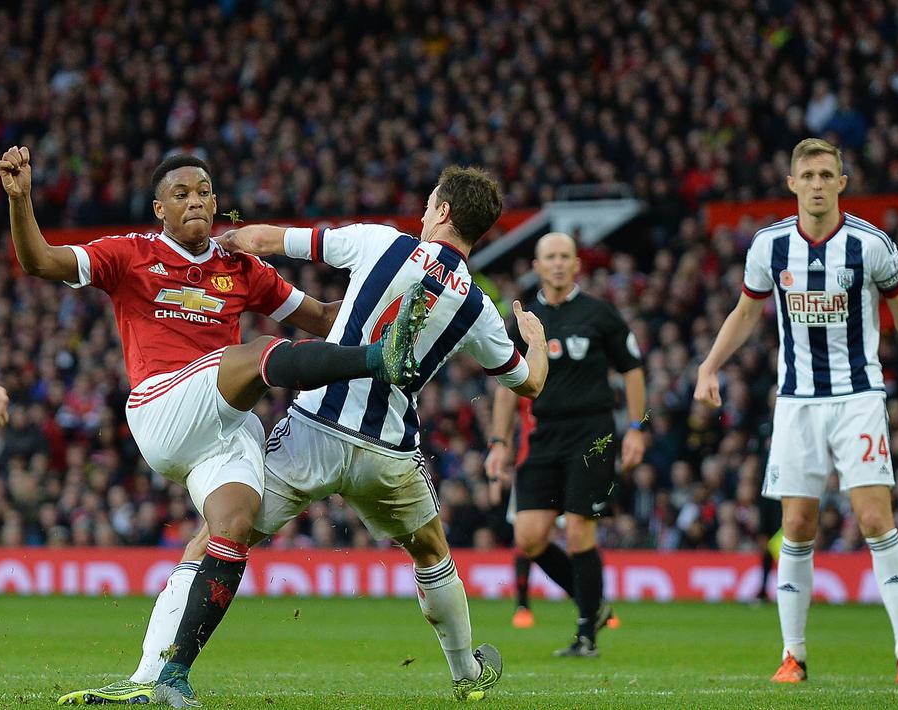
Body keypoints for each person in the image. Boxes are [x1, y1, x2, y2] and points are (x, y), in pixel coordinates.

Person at [56, 166, 546, 705]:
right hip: (389, 450)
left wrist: (221, 242)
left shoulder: (381, 242)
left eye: (431, 202)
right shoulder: (477, 306)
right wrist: (536, 340)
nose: (426, 209)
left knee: (221, 537)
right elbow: (529, 383)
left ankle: (153, 676)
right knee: (431, 551)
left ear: (443, 212)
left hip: (312, 429)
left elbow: (266, 239)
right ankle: (467, 675)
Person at [0, 146, 421, 708]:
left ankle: (160, 676)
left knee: (231, 528)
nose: (195, 201)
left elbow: (321, 317)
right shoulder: (129, 253)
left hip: (225, 428)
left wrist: (394, 306)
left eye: (203, 192)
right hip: (163, 407)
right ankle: (378, 362)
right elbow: (39, 262)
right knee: (254, 356)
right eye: (182, 194)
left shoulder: (240, 267)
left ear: (217, 203)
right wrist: (21, 201)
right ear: (160, 210)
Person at [693, 138, 898, 685]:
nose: (818, 183)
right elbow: (745, 314)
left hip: (858, 397)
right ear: (792, 183)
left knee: (875, 519)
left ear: (842, 183)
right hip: (796, 402)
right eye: (809, 175)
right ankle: (792, 655)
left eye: (827, 174)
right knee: (796, 525)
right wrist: (709, 367)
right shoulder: (769, 247)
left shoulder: (870, 245)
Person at [485, 232, 647, 658]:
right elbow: (507, 385)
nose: (557, 264)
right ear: (537, 267)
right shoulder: (525, 319)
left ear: (577, 265)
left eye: (565, 257)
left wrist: (636, 427)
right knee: (529, 536)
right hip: (543, 435)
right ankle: (593, 604)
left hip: (593, 434)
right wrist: (500, 442)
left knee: (579, 532)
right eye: (549, 257)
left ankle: (585, 635)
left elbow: (632, 370)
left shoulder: (600, 314)